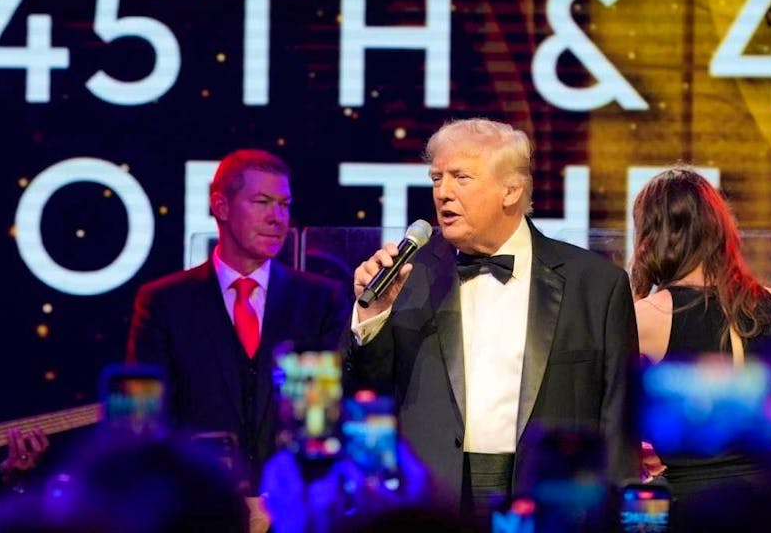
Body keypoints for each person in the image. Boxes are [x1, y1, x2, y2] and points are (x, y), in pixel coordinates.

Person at [345, 119, 640, 520]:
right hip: (435, 505)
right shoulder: (409, 278)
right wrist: (372, 316)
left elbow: (619, 422)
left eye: (460, 177)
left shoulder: (595, 285)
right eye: (436, 178)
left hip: (551, 502)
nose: (442, 192)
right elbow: (368, 397)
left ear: (511, 190)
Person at [127, 149, 350, 495]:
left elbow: (324, 420)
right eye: (261, 202)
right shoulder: (164, 303)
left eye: (284, 204)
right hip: (198, 509)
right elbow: (147, 424)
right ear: (221, 206)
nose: (278, 218)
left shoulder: (321, 301)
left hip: (292, 510)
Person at [629, 167, 771, 520]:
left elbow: (613, 415)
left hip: (691, 506)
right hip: (770, 505)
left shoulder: (649, 316)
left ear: (653, 235)